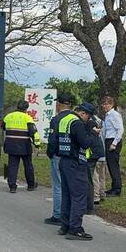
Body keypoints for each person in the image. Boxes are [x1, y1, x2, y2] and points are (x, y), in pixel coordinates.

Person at [58, 102, 100, 240]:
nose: (88, 120)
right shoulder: (77, 123)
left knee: (67, 195)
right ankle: (75, 228)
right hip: (75, 163)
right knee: (79, 196)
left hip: (63, 160)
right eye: (88, 117)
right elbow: (85, 143)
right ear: (84, 113)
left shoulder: (64, 119)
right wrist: (93, 133)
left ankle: (65, 225)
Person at [44, 93, 75, 225]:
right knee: (69, 187)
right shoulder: (75, 118)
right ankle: (69, 215)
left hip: (58, 156)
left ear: (58, 104)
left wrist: (50, 153)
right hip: (72, 157)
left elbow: (52, 140)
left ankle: (57, 215)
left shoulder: (56, 119)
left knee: (58, 186)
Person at [101, 96, 124, 196]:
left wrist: (114, 143)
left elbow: (120, 129)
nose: (104, 106)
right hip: (108, 140)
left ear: (112, 104)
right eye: (103, 104)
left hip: (113, 140)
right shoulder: (107, 115)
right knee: (110, 165)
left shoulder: (114, 115)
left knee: (114, 165)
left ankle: (117, 189)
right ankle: (114, 186)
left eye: (106, 104)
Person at [84, 113, 105, 214]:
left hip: (92, 155)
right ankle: (91, 202)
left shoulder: (89, 123)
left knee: (89, 179)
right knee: (92, 178)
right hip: (96, 154)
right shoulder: (94, 120)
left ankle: (89, 206)